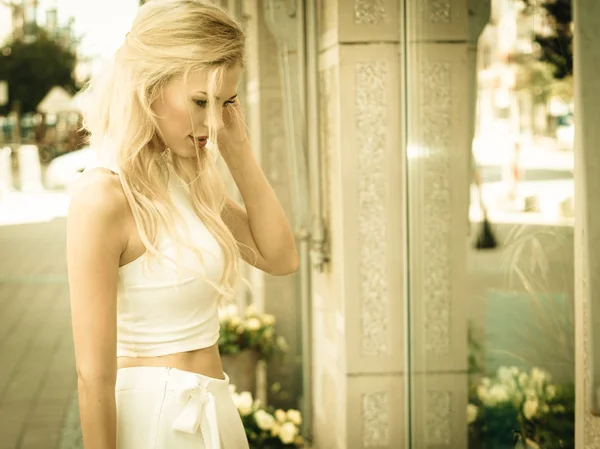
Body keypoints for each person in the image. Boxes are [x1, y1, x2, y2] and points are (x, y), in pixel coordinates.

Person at [66, 1, 299, 448]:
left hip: (215, 412)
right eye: (200, 101)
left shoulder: (188, 179)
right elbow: (91, 376)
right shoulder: (103, 196)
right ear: (150, 88)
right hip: (154, 423)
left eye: (226, 102)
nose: (214, 120)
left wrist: (237, 146)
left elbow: (280, 256)